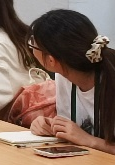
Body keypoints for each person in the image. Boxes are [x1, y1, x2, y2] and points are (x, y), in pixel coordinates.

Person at [28, 9, 115, 153]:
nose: (30, 48)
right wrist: (53, 126)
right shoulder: (63, 77)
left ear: (51, 60)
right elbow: (75, 134)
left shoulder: (110, 77)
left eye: (33, 44)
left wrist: (91, 141)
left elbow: (85, 138)